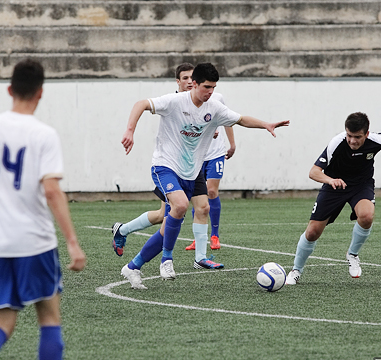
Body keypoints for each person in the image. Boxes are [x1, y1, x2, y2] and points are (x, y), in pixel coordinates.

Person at [0, 59, 86, 360]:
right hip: (34, 243)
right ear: (41, 93)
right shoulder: (43, 134)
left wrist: (2, 194)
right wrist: (73, 243)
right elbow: (51, 190)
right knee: (49, 317)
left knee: (1, 324)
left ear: (9, 89)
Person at [118, 62, 289, 289]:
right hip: (165, 166)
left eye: (214, 87)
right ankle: (167, 259)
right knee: (178, 206)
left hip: (191, 172)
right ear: (194, 84)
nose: (210, 91)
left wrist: (265, 124)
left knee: (174, 221)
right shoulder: (175, 102)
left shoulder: (214, 107)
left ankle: (133, 266)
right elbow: (141, 104)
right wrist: (130, 130)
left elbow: (240, 119)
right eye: (206, 86)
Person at [112, 62, 234, 269]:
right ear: (179, 82)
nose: (188, 81)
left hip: (194, 166)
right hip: (173, 167)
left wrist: (221, 136)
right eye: (184, 78)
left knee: (202, 207)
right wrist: (130, 130)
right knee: (165, 216)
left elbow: (226, 119)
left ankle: (200, 257)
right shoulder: (173, 102)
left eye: (190, 78)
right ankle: (128, 237)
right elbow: (145, 106)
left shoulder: (211, 100)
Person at [285, 112, 381, 285]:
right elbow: (313, 172)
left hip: (361, 185)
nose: (352, 141)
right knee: (313, 232)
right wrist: (331, 180)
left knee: (367, 216)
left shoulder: (377, 140)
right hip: (334, 187)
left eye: (357, 137)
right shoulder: (336, 143)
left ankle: (352, 254)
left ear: (366, 134)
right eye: (349, 136)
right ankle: (296, 270)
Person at [184, 93, 236, 252]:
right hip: (196, 154)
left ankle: (214, 235)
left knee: (211, 191)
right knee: (196, 194)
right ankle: (197, 237)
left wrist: (232, 144)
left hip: (216, 153)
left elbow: (228, 120)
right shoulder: (185, 100)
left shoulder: (218, 98)